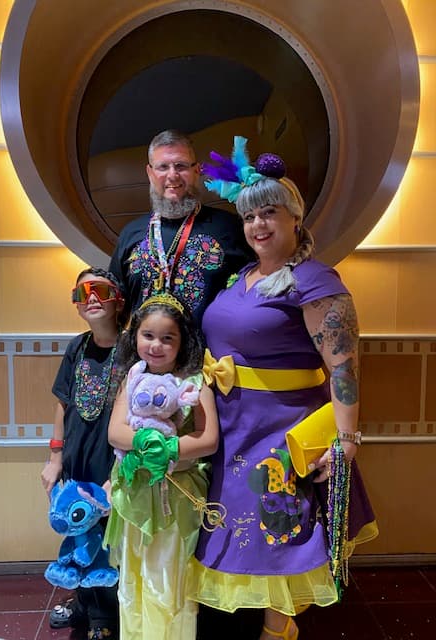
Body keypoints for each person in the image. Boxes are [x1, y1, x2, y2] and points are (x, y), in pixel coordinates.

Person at [188, 137, 378, 640]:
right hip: (232, 429)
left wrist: (345, 443)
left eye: (270, 213)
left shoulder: (316, 280)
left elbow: (344, 369)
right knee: (243, 540)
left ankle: (278, 634)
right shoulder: (241, 277)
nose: (258, 226)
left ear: (295, 218)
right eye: (250, 217)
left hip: (284, 433)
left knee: (280, 541)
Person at [104, 293, 219, 640]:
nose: (156, 345)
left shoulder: (196, 384)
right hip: (134, 497)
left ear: (182, 341)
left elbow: (208, 438)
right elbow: (115, 432)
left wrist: (170, 448)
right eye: (148, 336)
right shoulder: (131, 379)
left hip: (177, 499)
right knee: (133, 580)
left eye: (168, 338)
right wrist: (141, 443)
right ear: (135, 336)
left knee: (170, 581)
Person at [41, 266, 125, 640]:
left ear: (117, 300)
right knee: (77, 536)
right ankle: (83, 601)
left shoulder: (132, 348)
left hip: (111, 465)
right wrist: (55, 458)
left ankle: (104, 616)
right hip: (76, 463)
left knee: (108, 543)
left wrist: (121, 472)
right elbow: (62, 403)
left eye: (100, 290)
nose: (91, 297)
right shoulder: (77, 347)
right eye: (82, 292)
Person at [108, 129, 253, 326]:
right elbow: (116, 308)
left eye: (181, 166)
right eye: (163, 167)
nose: (172, 175)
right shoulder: (130, 233)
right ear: (150, 173)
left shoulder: (231, 228)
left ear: (196, 171)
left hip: (213, 356)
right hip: (145, 355)